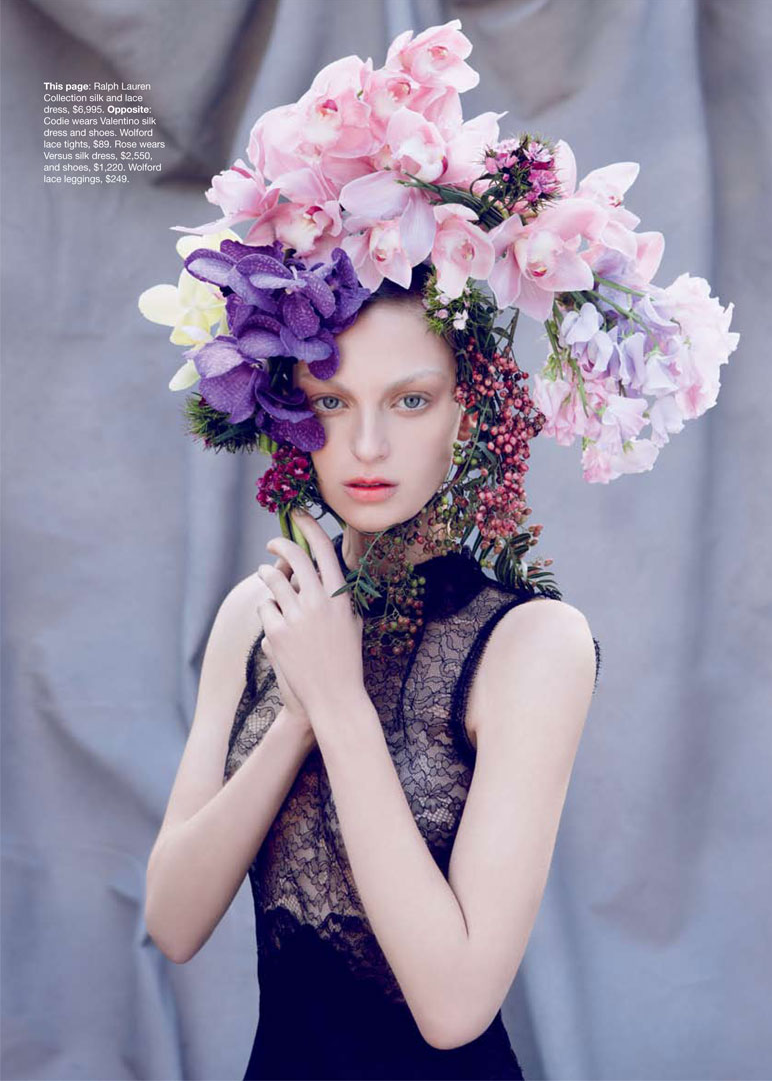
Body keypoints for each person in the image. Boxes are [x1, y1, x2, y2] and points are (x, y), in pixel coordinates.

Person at [144, 264, 601, 1080]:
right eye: (331, 401)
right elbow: (173, 923)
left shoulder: (533, 645)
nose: (366, 446)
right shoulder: (257, 614)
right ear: (289, 412)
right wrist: (297, 714)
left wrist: (338, 701)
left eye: (410, 400)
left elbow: (454, 1008)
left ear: (466, 412)